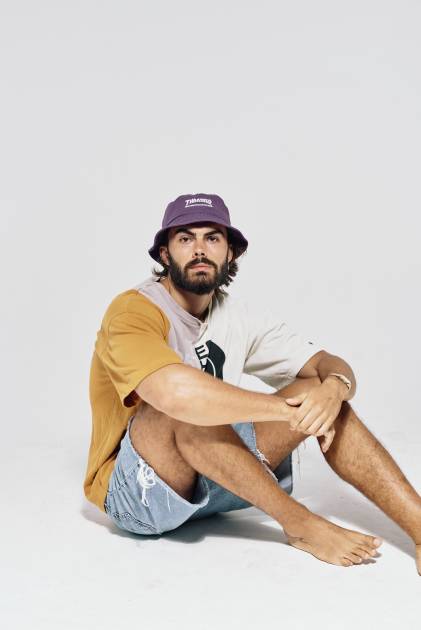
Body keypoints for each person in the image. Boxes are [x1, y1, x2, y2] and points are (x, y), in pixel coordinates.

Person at [84, 192, 421, 573]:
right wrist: (286, 411)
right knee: (184, 408)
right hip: (141, 493)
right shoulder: (134, 311)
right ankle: (301, 524)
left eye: (212, 238)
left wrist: (333, 390)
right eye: (185, 238)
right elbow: (173, 394)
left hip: (216, 477)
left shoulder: (237, 316)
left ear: (230, 253)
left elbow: (327, 364)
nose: (199, 249)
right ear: (165, 254)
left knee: (319, 394)